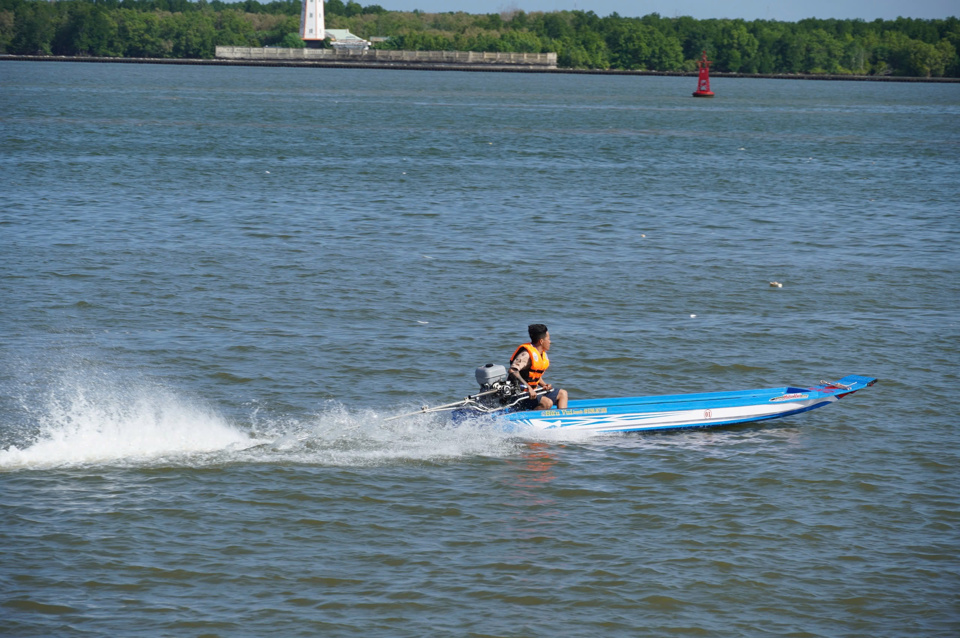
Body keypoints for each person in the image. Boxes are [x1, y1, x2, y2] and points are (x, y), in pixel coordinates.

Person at [508, 324, 568, 411]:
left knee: (562, 393)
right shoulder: (526, 354)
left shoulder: (540, 354)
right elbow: (512, 370)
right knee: (547, 403)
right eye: (548, 339)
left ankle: (562, 420)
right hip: (518, 394)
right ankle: (529, 420)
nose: (550, 342)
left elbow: (533, 375)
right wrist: (528, 388)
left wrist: (543, 385)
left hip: (532, 392)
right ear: (541, 341)